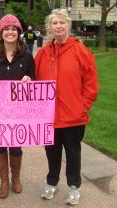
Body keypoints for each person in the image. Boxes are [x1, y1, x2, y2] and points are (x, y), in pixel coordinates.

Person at [34, 10, 99, 206]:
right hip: (49, 116)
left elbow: (91, 83)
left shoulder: (80, 51)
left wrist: (84, 106)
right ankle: (51, 183)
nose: (58, 26)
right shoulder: (43, 53)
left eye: (62, 22)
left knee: (73, 154)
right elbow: (33, 81)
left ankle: (74, 187)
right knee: (52, 153)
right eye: (55, 23)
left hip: (73, 116)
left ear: (68, 25)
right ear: (50, 27)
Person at [0, 14, 35, 199]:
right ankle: (4, 181)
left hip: (18, 110)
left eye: (14, 29)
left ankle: (16, 178)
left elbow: (34, 79)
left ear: (19, 32)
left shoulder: (26, 56)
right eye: (7, 29)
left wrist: (29, 80)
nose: (10, 32)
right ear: (1, 32)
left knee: (16, 146)